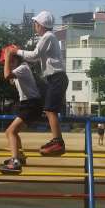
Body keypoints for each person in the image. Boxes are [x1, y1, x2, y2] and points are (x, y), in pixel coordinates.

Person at [13, 10, 68, 157]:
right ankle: (56, 140)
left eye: (35, 23)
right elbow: (37, 57)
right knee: (49, 108)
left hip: (56, 77)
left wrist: (17, 51)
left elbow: (34, 55)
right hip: (54, 78)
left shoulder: (48, 36)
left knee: (50, 109)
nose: (34, 25)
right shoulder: (49, 37)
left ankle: (58, 142)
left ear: (41, 25)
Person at [0, 46, 43, 174]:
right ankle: (20, 157)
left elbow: (7, 75)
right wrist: (9, 60)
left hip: (32, 104)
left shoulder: (23, 68)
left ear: (16, 59)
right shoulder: (20, 69)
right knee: (13, 132)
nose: (7, 64)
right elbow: (11, 79)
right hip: (27, 104)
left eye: (9, 61)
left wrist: (8, 57)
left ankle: (15, 161)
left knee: (10, 132)